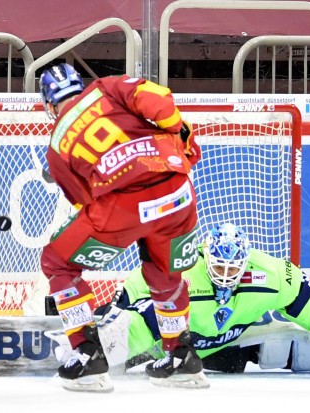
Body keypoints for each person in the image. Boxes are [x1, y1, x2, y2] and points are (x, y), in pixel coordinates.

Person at [37, 63, 205, 392]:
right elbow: (161, 105)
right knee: (163, 271)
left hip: (124, 204)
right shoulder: (107, 86)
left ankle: (88, 355)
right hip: (178, 191)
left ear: (48, 104)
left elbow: (85, 202)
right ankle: (182, 357)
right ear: (79, 84)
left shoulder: (57, 146)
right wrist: (170, 133)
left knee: (57, 262)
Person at [50, 222, 310, 376]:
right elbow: (134, 312)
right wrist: (100, 337)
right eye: (219, 266)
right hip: (176, 346)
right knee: (130, 343)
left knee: (277, 349)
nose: (226, 276)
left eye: (234, 268)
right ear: (206, 256)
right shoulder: (177, 272)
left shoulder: (272, 272)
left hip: (233, 339)